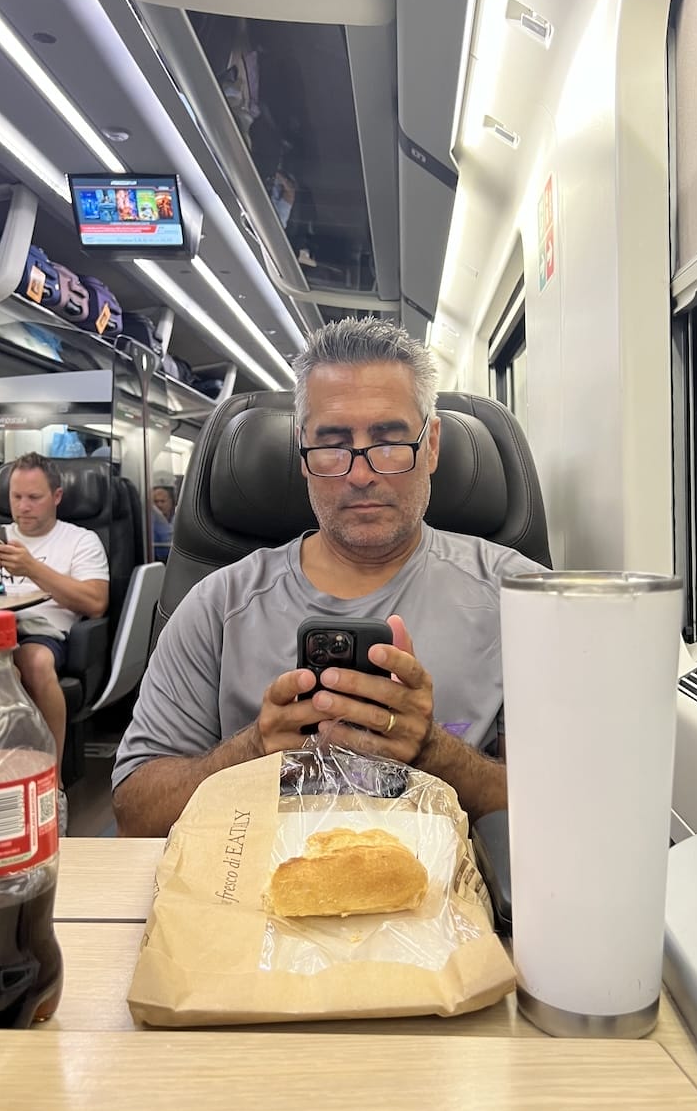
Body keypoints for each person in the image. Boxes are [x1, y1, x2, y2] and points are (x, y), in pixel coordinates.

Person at [112, 317, 542, 837]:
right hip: (254, 879)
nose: (361, 475)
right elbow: (135, 810)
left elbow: (566, 801)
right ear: (302, 454)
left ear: (430, 445)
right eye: (333, 444)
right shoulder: (218, 605)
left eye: (389, 441)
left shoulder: (521, 598)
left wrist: (433, 751)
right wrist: (253, 751)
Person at [0, 452, 110, 830]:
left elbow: (95, 602)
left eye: (34, 497)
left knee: (35, 663)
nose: (23, 507)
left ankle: (53, 781)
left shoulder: (80, 540)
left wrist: (31, 567)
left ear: (57, 497)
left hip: (42, 630)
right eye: (16, 497)